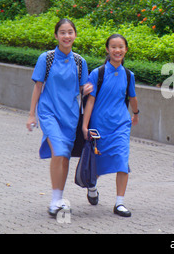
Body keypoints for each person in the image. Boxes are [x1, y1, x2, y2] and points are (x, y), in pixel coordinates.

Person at [27, 18, 92, 217]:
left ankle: (59, 198)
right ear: (56, 36)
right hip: (48, 113)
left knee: (64, 156)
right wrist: (32, 115)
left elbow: (82, 88)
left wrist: (87, 88)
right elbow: (38, 86)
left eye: (70, 32)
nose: (66, 36)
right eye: (62, 32)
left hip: (70, 116)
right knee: (59, 152)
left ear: (75, 35)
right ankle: (55, 201)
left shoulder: (80, 62)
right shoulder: (45, 58)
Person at [82, 34, 139, 217]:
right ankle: (92, 185)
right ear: (107, 49)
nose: (117, 50)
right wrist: (85, 126)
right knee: (98, 163)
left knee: (122, 161)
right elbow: (90, 101)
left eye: (121, 47)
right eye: (113, 47)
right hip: (100, 125)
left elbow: (132, 97)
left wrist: (136, 113)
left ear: (126, 49)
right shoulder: (97, 73)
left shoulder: (129, 75)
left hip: (121, 125)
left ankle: (119, 203)